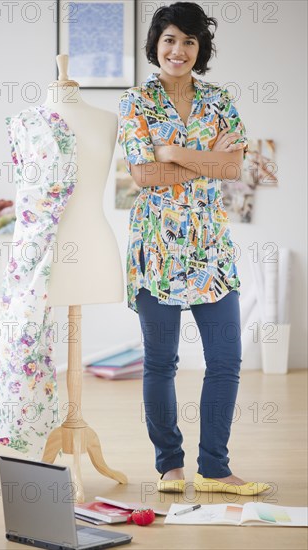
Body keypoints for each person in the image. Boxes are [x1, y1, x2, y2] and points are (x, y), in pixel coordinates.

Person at [118, 2, 270, 495]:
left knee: (225, 359)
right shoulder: (136, 102)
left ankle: (214, 468)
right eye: (169, 39)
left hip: (210, 246)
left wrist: (176, 153)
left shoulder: (220, 100)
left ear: (200, 48)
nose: (178, 50)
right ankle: (170, 465)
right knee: (161, 362)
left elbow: (232, 169)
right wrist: (209, 159)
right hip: (156, 247)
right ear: (155, 45)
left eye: (188, 41)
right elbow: (143, 175)